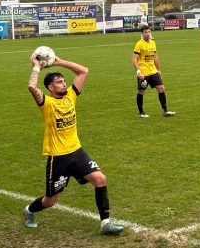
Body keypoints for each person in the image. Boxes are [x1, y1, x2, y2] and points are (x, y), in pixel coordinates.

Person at [25, 55, 124, 235]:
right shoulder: (46, 103)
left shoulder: (71, 95)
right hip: (58, 158)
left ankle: (106, 224)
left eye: (64, 81)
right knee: (51, 201)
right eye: (59, 82)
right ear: (50, 87)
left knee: (100, 179)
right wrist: (36, 67)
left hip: (77, 152)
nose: (64, 84)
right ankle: (29, 211)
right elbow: (32, 87)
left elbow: (83, 71)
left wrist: (58, 61)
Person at [132, 25, 176, 118]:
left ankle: (165, 111)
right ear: (142, 33)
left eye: (149, 32)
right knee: (141, 91)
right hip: (144, 73)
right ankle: (141, 112)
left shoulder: (153, 43)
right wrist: (138, 71)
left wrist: (158, 69)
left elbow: (155, 57)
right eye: (145, 32)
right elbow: (134, 59)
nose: (147, 34)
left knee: (161, 88)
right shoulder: (139, 44)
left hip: (153, 71)